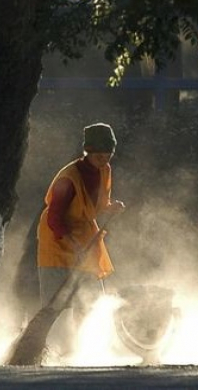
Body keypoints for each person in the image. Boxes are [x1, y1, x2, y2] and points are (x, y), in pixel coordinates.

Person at [36, 122, 125, 358]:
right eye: (98, 157)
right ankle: (44, 350)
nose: (103, 161)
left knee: (90, 299)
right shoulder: (68, 178)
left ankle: (77, 350)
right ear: (87, 152)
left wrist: (111, 207)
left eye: (108, 156)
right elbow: (54, 218)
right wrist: (74, 246)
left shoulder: (105, 170)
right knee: (55, 304)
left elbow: (97, 204)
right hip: (57, 241)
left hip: (85, 239)